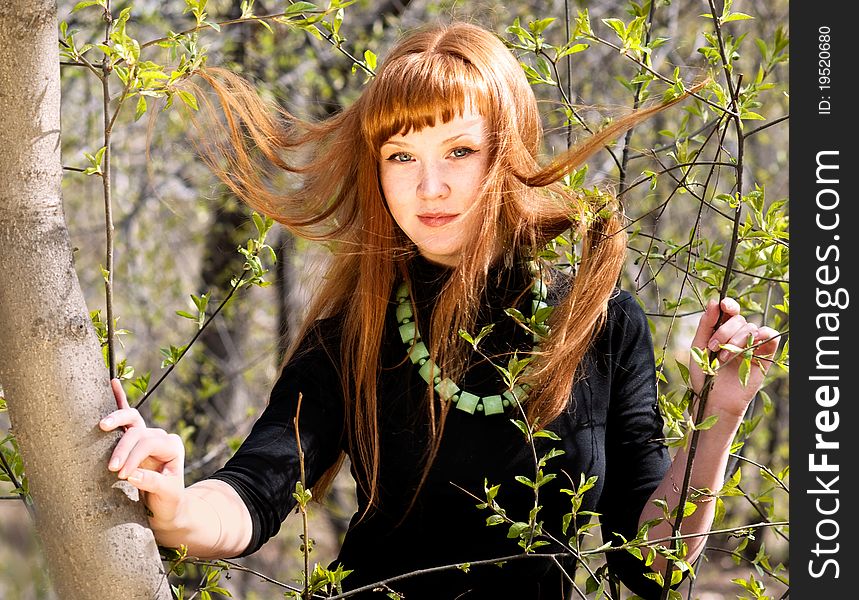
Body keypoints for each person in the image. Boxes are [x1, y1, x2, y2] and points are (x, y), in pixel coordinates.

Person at [99, 21, 780, 599]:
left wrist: (715, 415)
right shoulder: (356, 330)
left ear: (505, 153)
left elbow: (651, 566)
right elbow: (255, 490)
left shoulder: (596, 322)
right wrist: (178, 506)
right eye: (401, 155)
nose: (429, 186)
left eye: (458, 150)